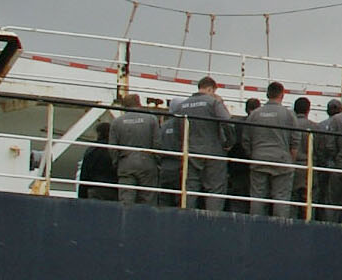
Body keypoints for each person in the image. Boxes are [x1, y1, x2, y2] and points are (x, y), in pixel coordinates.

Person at [167, 77, 235, 210]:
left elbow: (176, 130)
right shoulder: (213, 102)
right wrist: (229, 143)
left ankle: (187, 219)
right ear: (210, 89)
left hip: (191, 152)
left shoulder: (182, 106)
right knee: (215, 189)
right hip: (214, 152)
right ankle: (213, 222)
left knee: (190, 188)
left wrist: (183, 147)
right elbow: (228, 122)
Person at [237, 83, 298, 216]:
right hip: (282, 160)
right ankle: (279, 230)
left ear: (267, 94)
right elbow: (295, 142)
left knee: (257, 198)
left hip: (259, 159)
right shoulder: (289, 114)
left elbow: (246, 140)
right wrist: (290, 160)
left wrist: (253, 155)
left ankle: (255, 229)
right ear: (282, 95)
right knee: (281, 199)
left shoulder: (255, 114)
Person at [108, 94, 167, 205]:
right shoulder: (151, 119)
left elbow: (112, 148)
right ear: (139, 103)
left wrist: (117, 163)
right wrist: (156, 162)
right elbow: (157, 144)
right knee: (148, 200)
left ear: (124, 105)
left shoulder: (117, 122)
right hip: (148, 163)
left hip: (125, 163)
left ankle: (126, 221)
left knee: (126, 201)